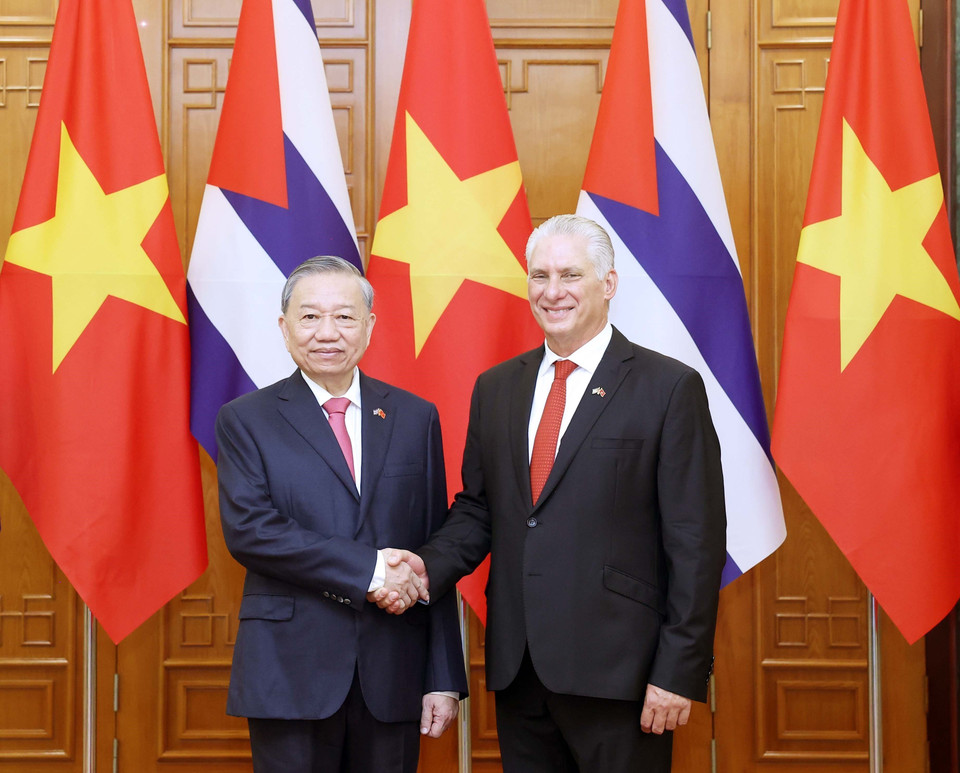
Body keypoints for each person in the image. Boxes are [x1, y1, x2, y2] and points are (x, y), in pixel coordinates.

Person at [377, 215, 726, 772]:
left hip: (624, 677)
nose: (552, 291)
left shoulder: (668, 388)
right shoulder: (498, 387)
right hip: (522, 670)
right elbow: (480, 510)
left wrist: (678, 670)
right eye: (539, 276)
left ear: (607, 284)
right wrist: (422, 568)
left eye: (570, 275)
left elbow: (696, 541)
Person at [215, 256, 467, 773]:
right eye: (309, 317)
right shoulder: (246, 420)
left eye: (345, 317)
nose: (327, 333)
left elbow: (431, 548)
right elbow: (251, 532)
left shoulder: (415, 417)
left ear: (370, 327)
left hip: (393, 671)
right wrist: (372, 571)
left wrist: (442, 673)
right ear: (284, 329)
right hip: (289, 673)